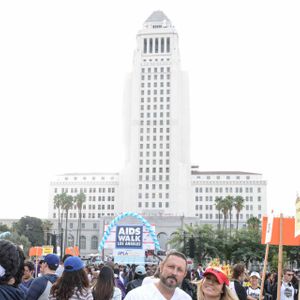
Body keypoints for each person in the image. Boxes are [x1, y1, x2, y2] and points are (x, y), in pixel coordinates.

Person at [124, 250, 192, 299]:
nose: (174, 273)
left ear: (184, 274)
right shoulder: (136, 296)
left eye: (180, 270)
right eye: (171, 267)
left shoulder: (186, 298)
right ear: (161, 267)